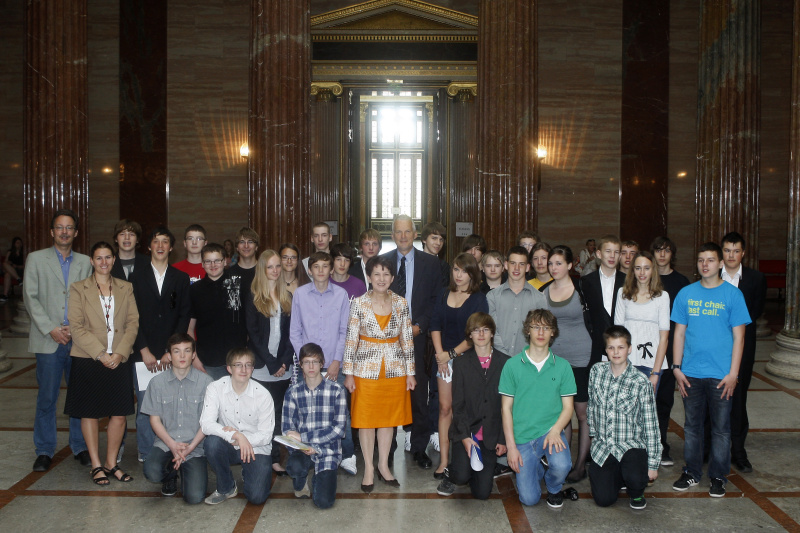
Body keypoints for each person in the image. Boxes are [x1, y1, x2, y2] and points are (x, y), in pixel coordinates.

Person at [671, 242, 750, 498]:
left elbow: (739, 338)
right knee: (692, 427)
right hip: (691, 373)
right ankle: (692, 472)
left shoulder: (733, 295)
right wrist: (676, 367)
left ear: (720, 264)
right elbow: (679, 333)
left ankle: (718, 475)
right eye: (701, 260)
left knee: (721, 429)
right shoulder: (686, 294)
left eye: (710, 260)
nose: (705, 264)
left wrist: (733, 374)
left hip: (721, 376)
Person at [64, 241, 139, 485]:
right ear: (91, 261)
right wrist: (101, 353)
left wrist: (119, 353)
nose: (104, 262)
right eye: (99, 258)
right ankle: (96, 465)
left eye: (108, 257)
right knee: (90, 412)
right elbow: (76, 326)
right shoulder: (78, 289)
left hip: (119, 359)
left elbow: (132, 323)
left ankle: (111, 463)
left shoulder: (125, 287)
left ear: (114, 260)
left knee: (119, 414)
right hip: (89, 358)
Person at [24, 209, 92, 472]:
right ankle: (43, 450)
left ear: (76, 232)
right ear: (52, 232)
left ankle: (80, 446)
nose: (64, 232)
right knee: (47, 397)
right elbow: (31, 298)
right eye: (60, 228)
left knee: (79, 397)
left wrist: (75, 329)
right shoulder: (36, 259)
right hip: (48, 340)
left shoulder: (85, 262)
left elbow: (89, 299)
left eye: (69, 228)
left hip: (78, 341)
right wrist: (51, 328)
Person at [343, 255, 416, 491]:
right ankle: (369, 469)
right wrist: (349, 373)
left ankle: (384, 466)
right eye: (377, 274)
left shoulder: (401, 303)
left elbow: (407, 339)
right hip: (365, 370)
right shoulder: (359, 303)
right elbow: (351, 339)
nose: (381, 278)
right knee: (366, 420)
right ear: (369, 276)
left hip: (395, 369)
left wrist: (410, 372)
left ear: (393, 277)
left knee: (388, 420)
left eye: (386, 274)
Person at [381, 215, 442, 469]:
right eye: (398, 232)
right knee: (388, 393)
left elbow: (434, 301)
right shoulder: (382, 263)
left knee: (417, 395)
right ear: (393, 235)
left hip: (417, 339)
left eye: (408, 232)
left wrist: (419, 327)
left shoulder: (431, 264)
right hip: (385, 340)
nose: (403, 236)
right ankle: (386, 449)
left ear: (415, 234)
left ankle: (418, 447)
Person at [500, 308, 576, 508]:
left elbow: (568, 407)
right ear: (528, 331)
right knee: (529, 500)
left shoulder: (563, 366)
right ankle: (538, 468)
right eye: (535, 327)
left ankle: (553, 486)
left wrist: (556, 431)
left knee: (562, 466)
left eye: (546, 328)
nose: (541, 332)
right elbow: (506, 409)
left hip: (550, 432)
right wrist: (511, 448)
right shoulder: (512, 366)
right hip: (522, 438)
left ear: (553, 332)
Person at [289, 251, 356, 474]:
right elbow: (295, 331)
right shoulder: (299, 294)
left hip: (333, 364)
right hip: (307, 364)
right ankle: (310, 452)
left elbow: (343, 331)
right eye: (315, 266)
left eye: (324, 266)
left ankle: (347, 455)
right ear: (309, 270)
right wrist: (305, 360)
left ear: (331, 269)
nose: (320, 271)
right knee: (308, 411)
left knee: (340, 412)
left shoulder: (341, 294)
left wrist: (336, 361)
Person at [132, 226, 192, 461]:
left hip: (172, 353)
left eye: (164, 242)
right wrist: (144, 349)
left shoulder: (180, 278)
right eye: (155, 242)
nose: (160, 246)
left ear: (171, 247)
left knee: (171, 404)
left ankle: (170, 448)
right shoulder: (136, 277)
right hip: (143, 353)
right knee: (146, 405)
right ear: (149, 246)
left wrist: (171, 350)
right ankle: (146, 452)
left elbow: (184, 315)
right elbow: (131, 316)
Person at [436, 312, 509, 499]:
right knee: (460, 476)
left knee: (482, 494)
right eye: (476, 330)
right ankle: (453, 472)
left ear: (492, 333)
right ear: (470, 335)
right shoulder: (460, 363)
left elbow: (507, 406)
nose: (481, 334)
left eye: (485, 330)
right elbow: (457, 405)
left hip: (491, 435)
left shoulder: (505, 363)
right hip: (468, 431)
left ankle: (476, 472)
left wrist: (503, 438)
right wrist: (465, 437)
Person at [588, 326, 661, 509]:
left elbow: (651, 425)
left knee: (636, 479)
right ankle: (618, 475)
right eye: (611, 347)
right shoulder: (596, 372)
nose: (616, 352)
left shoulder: (640, 382)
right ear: (605, 350)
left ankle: (636, 491)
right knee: (603, 500)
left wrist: (652, 464)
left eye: (620, 347)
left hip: (631, 445)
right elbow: (591, 407)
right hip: (604, 446)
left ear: (629, 349)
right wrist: (593, 435)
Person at [431, 253, 489, 477]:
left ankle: (465, 456)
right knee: (445, 408)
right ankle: (444, 460)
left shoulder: (478, 298)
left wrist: (452, 354)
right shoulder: (444, 293)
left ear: (472, 273)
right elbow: (435, 324)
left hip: (468, 360)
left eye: (464, 271)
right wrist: (440, 355)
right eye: (456, 269)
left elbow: (478, 333)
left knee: (464, 410)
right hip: (443, 360)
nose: (459, 275)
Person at [141, 333, 213, 502]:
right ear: (169, 354)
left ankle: (188, 470)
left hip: (194, 447)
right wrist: (172, 445)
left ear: (194, 354)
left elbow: (207, 422)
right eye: (176, 351)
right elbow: (154, 420)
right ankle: (170, 475)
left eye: (187, 351)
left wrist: (190, 447)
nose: (182, 356)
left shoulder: (207, 383)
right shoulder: (157, 383)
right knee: (151, 471)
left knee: (194, 497)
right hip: (166, 443)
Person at [543, 245, 594, 483]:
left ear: (570, 265)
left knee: (582, 413)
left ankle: (581, 464)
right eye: (551, 263)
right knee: (561, 414)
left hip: (582, 358)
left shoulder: (583, 288)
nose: (554, 268)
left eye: (559, 263)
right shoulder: (543, 292)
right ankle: (561, 462)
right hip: (555, 360)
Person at [200, 347, 273, 505]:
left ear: (253, 369)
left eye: (248, 365)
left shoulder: (263, 395)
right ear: (229, 368)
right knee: (211, 443)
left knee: (257, 498)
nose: (244, 369)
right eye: (238, 365)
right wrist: (237, 436)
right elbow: (206, 424)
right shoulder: (215, 388)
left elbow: (266, 435)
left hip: (256, 447)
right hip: (231, 443)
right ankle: (226, 487)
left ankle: (249, 470)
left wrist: (245, 439)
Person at [720, 232, 767, 474]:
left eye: (735, 251)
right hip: (714, 348)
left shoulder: (756, 279)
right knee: (711, 396)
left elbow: (755, 311)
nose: (731, 255)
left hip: (743, 348)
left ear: (743, 253)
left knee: (738, 399)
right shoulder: (711, 276)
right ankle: (710, 449)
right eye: (727, 250)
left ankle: (738, 451)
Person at [246, 249, 295, 476]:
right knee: (258, 416)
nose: (275, 271)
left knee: (276, 415)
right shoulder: (254, 295)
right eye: (271, 267)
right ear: (262, 269)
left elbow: (292, 334)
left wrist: (284, 362)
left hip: (282, 369)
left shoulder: (287, 296)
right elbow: (253, 335)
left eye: (278, 266)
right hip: (262, 368)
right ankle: (257, 458)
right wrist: (272, 363)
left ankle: (275, 458)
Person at [284, 343, 347, 508]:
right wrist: (301, 446)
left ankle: (321, 477)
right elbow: (287, 429)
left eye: (315, 361)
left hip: (327, 450)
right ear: (300, 365)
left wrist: (307, 439)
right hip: (301, 450)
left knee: (323, 503)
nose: (311, 366)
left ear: (322, 363)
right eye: (306, 362)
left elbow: (339, 429)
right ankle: (301, 479)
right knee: (294, 466)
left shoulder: (337, 391)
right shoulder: (292, 392)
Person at [650, 236, 690, 467]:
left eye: (666, 250)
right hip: (647, 347)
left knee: (664, 400)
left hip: (670, 347)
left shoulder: (681, 282)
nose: (662, 254)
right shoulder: (646, 278)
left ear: (672, 254)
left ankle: (662, 444)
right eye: (658, 250)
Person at [187, 243, 248, 380]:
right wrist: (194, 356)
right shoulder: (195, 290)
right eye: (208, 261)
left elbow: (248, 321)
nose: (213, 265)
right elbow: (190, 328)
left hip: (237, 359)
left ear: (225, 261)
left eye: (217, 260)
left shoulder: (238, 284)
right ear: (202, 263)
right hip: (207, 361)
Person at [613, 251, 670, 387]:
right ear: (633, 270)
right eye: (638, 268)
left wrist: (655, 373)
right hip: (626, 362)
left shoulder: (662, 297)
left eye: (647, 268)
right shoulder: (623, 293)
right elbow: (618, 333)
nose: (642, 272)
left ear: (653, 270)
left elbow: (664, 338)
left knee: (646, 408)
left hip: (651, 364)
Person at [488, 246, 547, 362]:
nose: (516, 268)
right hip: (498, 359)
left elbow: (542, 332)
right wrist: (506, 356)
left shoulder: (539, 298)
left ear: (527, 267)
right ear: (506, 265)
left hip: (529, 360)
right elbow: (491, 329)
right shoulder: (492, 296)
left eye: (521, 264)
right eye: (513, 263)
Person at [227, 227, 259, 291]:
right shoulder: (228, 274)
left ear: (256, 247)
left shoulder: (265, 271)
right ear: (237, 247)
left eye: (250, 241)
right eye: (242, 242)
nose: (246, 246)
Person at [420, 221, 450, 287]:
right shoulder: (414, 262)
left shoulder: (444, 267)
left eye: (441, 240)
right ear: (424, 239)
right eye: (434, 238)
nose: (438, 243)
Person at [1, 236, 24, 300]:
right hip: (11, 270)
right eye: (17, 242)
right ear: (14, 244)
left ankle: (19, 279)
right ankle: (5, 295)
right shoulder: (10, 252)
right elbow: (5, 262)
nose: (19, 244)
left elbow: (26, 265)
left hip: (20, 270)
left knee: (7, 274)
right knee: (6, 270)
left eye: (20, 242)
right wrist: (10, 263)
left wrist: (17, 266)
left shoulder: (24, 252)